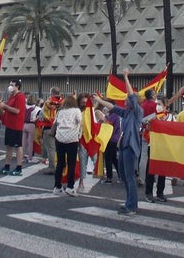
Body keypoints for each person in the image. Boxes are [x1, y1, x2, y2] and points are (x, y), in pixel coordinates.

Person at [92, 70, 143, 215]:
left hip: (130, 147)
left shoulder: (137, 111)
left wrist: (126, 77)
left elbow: (131, 95)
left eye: (127, 99)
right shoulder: (126, 112)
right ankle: (129, 202)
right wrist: (99, 100)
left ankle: (132, 206)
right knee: (125, 176)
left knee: (129, 178)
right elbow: (112, 107)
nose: (126, 100)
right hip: (123, 146)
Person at [52, 93, 82, 196]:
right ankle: (70, 186)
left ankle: (57, 186)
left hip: (59, 138)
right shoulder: (77, 111)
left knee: (60, 163)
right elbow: (80, 122)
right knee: (71, 163)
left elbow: (55, 122)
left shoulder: (60, 111)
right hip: (72, 139)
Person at [0, 80, 26, 176]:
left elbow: (17, 111)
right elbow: (8, 108)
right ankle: (7, 166)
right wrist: (2, 106)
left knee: (18, 147)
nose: (10, 87)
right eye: (9, 85)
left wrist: (5, 106)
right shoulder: (11, 96)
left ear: (17, 86)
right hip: (9, 124)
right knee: (8, 146)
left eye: (12, 85)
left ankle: (19, 167)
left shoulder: (20, 96)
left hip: (16, 125)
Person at [39, 90, 61, 175]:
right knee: (57, 148)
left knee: (51, 149)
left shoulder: (48, 103)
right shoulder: (61, 102)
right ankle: (58, 165)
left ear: (51, 93)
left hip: (49, 127)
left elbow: (42, 115)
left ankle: (52, 167)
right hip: (59, 128)